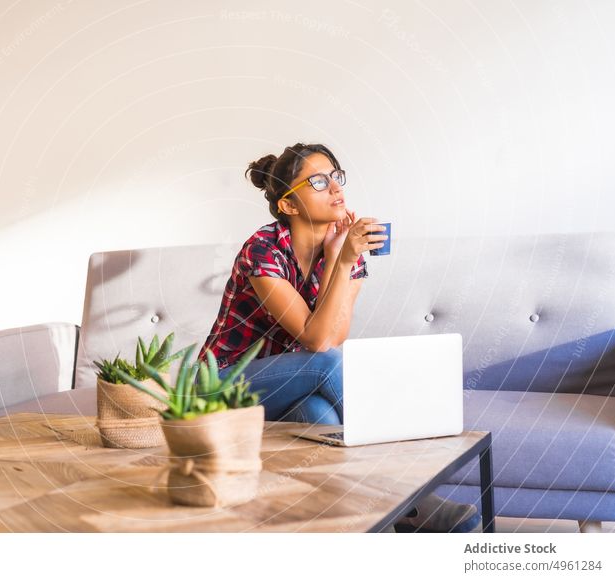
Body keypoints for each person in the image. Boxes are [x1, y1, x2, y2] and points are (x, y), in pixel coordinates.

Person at [200, 142, 480, 533]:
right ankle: (413, 494)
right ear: (289, 206)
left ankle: (368, 531)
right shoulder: (262, 249)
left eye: (335, 176)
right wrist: (344, 259)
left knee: (321, 419)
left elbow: (335, 335)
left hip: (289, 389)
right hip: (222, 387)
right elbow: (318, 346)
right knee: (327, 365)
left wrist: (337, 259)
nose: (334, 187)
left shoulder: (346, 250)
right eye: (317, 180)